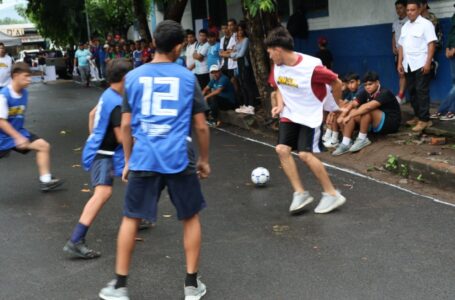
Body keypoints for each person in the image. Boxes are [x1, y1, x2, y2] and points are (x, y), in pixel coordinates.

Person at [98, 20, 210, 300]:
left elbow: (125, 126)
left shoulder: (133, 77)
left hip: (144, 157)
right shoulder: (187, 77)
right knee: (190, 217)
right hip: (179, 156)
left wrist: (127, 160)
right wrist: (205, 159)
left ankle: (120, 286)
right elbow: (201, 126)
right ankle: (191, 285)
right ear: (177, 47)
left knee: (131, 218)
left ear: (153, 45)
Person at [265, 27, 346, 214]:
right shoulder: (277, 66)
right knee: (282, 149)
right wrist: (279, 104)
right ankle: (300, 193)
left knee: (304, 154)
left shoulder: (311, 67)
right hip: (290, 112)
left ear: (278, 49)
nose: (269, 56)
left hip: (310, 114)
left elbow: (337, 82)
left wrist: (334, 106)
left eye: (270, 52)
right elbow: (278, 87)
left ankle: (332, 194)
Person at [62, 59, 133, 259]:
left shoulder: (108, 94)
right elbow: (122, 137)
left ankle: (138, 216)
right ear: (125, 78)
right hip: (103, 154)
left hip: (101, 151)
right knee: (102, 194)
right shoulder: (118, 103)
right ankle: (76, 239)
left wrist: (94, 136)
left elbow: (92, 114)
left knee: (134, 176)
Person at [0, 62, 64, 191]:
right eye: (25, 76)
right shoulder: (3, 96)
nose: (29, 79)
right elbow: (1, 122)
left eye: (30, 76)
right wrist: (17, 137)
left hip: (18, 133)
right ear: (15, 75)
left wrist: (19, 136)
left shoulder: (25, 93)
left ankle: (46, 181)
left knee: (43, 146)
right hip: (2, 137)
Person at [332, 72, 402, 155]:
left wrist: (349, 116)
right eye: (365, 85)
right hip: (376, 121)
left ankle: (362, 139)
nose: (367, 87)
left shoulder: (384, 92)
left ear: (377, 83)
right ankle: (346, 143)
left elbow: (368, 107)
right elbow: (353, 103)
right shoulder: (366, 92)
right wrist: (343, 115)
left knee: (366, 110)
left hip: (390, 123)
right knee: (353, 110)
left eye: (370, 84)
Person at [397, 0, 437, 132]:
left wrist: (428, 62)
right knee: (412, 91)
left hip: (421, 63)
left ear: (419, 10)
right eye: (408, 10)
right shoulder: (405, 26)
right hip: (408, 64)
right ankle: (418, 115)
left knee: (421, 91)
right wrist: (400, 62)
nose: (409, 12)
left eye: (412, 10)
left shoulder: (426, 24)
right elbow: (401, 46)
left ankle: (425, 120)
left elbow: (431, 44)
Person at [431, 8, 455, 121]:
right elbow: (452, 34)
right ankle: (449, 111)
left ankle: (444, 110)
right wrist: (448, 48)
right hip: (452, 54)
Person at [232, 23, 256, 115]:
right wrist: (234, 54)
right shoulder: (238, 41)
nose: (239, 32)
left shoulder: (246, 40)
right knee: (242, 84)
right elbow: (235, 52)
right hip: (239, 64)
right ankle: (245, 105)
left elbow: (240, 54)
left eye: (241, 30)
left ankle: (251, 106)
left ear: (244, 30)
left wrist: (230, 55)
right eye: (238, 30)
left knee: (247, 84)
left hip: (245, 64)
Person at [392, 0, 408, 103]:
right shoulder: (395, 23)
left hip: (408, 52)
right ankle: (402, 95)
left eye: (400, 7)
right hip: (399, 52)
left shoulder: (409, 21)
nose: (398, 10)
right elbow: (394, 36)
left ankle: (401, 95)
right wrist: (393, 47)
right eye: (397, 8)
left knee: (407, 74)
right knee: (401, 73)